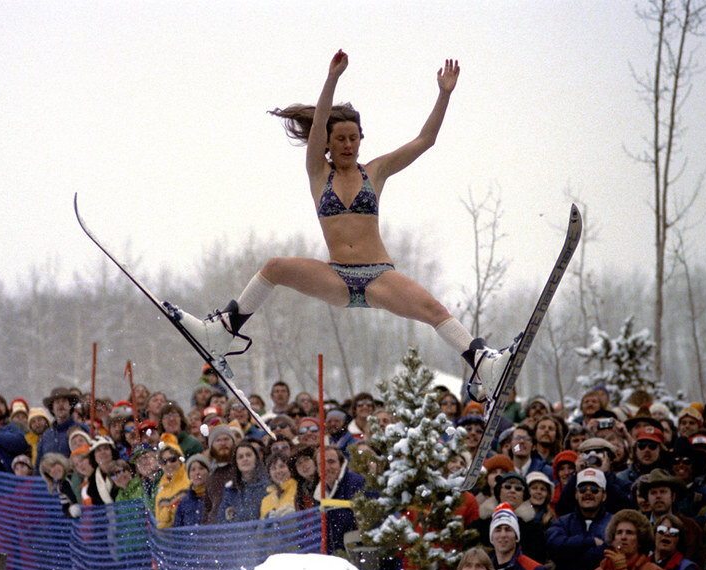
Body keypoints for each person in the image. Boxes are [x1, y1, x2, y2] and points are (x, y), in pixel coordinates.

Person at [172, 51, 514, 405]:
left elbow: (424, 141)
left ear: (361, 140)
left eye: (354, 138)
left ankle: (483, 364)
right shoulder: (319, 173)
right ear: (328, 144)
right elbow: (319, 124)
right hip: (337, 278)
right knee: (274, 267)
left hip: (379, 276)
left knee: (433, 311)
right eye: (340, 139)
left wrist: (444, 95)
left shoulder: (375, 171)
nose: (348, 145)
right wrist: (332, 79)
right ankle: (221, 332)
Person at [547, 468, 613, 570]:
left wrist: (572, 551)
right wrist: (590, 542)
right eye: (582, 489)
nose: (588, 493)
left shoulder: (614, 522)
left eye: (594, 489)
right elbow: (554, 545)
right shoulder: (562, 522)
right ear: (576, 495)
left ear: (604, 496)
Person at [216, 441, 268, 524]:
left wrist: (234, 514)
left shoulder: (266, 485)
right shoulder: (230, 490)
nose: (245, 459)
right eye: (240, 457)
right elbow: (221, 520)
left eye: (248, 455)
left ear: (256, 459)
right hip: (235, 535)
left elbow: (259, 515)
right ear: (236, 463)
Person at [172, 453, 209, 527]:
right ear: (189, 475)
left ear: (208, 471)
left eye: (201, 468)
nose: (197, 473)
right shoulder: (183, 503)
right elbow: (178, 530)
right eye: (193, 470)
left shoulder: (215, 497)